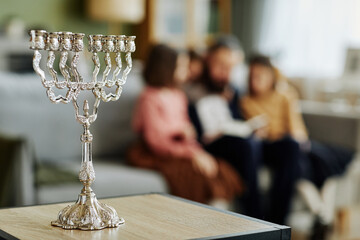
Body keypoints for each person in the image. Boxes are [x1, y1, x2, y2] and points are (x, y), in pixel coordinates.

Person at [188, 36, 300, 224]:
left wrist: (254, 129)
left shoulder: (232, 90)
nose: (225, 73)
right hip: (214, 144)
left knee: (290, 146)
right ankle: (258, 221)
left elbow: (238, 121)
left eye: (230, 67)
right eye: (220, 65)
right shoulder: (192, 91)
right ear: (208, 61)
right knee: (249, 145)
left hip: (241, 141)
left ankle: (279, 223)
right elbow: (192, 132)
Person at [241, 55, 354, 238]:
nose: (256, 81)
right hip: (275, 147)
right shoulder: (246, 101)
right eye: (253, 76)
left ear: (271, 76)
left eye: (261, 75)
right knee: (301, 163)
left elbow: (297, 129)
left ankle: (320, 215)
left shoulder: (285, 95)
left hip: (295, 144)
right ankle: (320, 215)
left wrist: (299, 142)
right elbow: (257, 133)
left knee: (318, 161)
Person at [127, 44, 242, 207]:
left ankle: (219, 217)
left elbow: (187, 131)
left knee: (219, 170)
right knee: (194, 175)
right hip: (157, 153)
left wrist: (197, 151)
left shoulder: (178, 95)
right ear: (166, 68)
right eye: (181, 66)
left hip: (182, 149)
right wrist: (190, 154)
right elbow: (156, 142)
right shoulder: (149, 98)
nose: (186, 71)